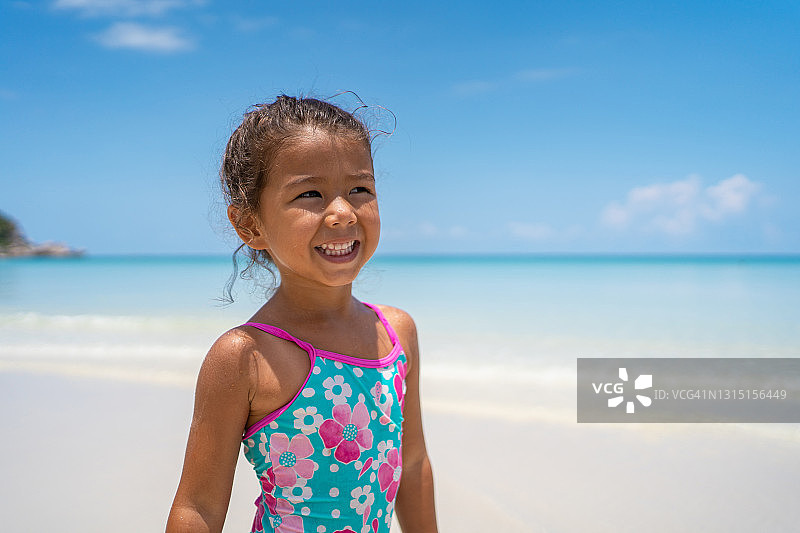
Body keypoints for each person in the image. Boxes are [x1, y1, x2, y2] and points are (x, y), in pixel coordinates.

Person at [166, 95, 438, 533]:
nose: (343, 212)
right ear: (250, 225)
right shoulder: (246, 356)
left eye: (360, 190)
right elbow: (197, 507)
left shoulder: (396, 333)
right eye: (310, 194)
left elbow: (413, 462)